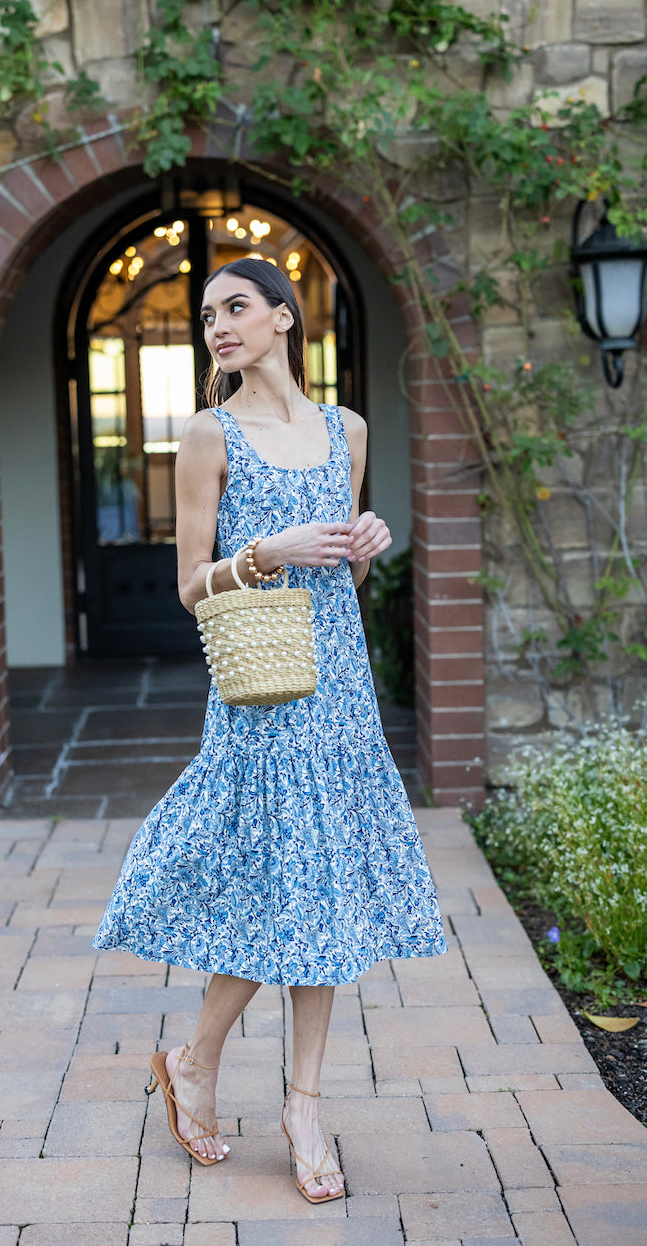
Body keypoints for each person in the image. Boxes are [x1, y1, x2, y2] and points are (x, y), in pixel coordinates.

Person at [94, 256, 447, 1203]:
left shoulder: (348, 431)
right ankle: (199, 1060)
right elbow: (187, 584)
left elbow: (346, 579)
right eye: (208, 314)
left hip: (339, 691)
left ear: (285, 318)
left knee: (320, 891)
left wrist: (360, 545)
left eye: (236, 307)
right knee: (282, 885)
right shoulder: (208, 434)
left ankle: (297, 1102)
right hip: (262, 698)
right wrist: (264, 553)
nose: (218, 325)